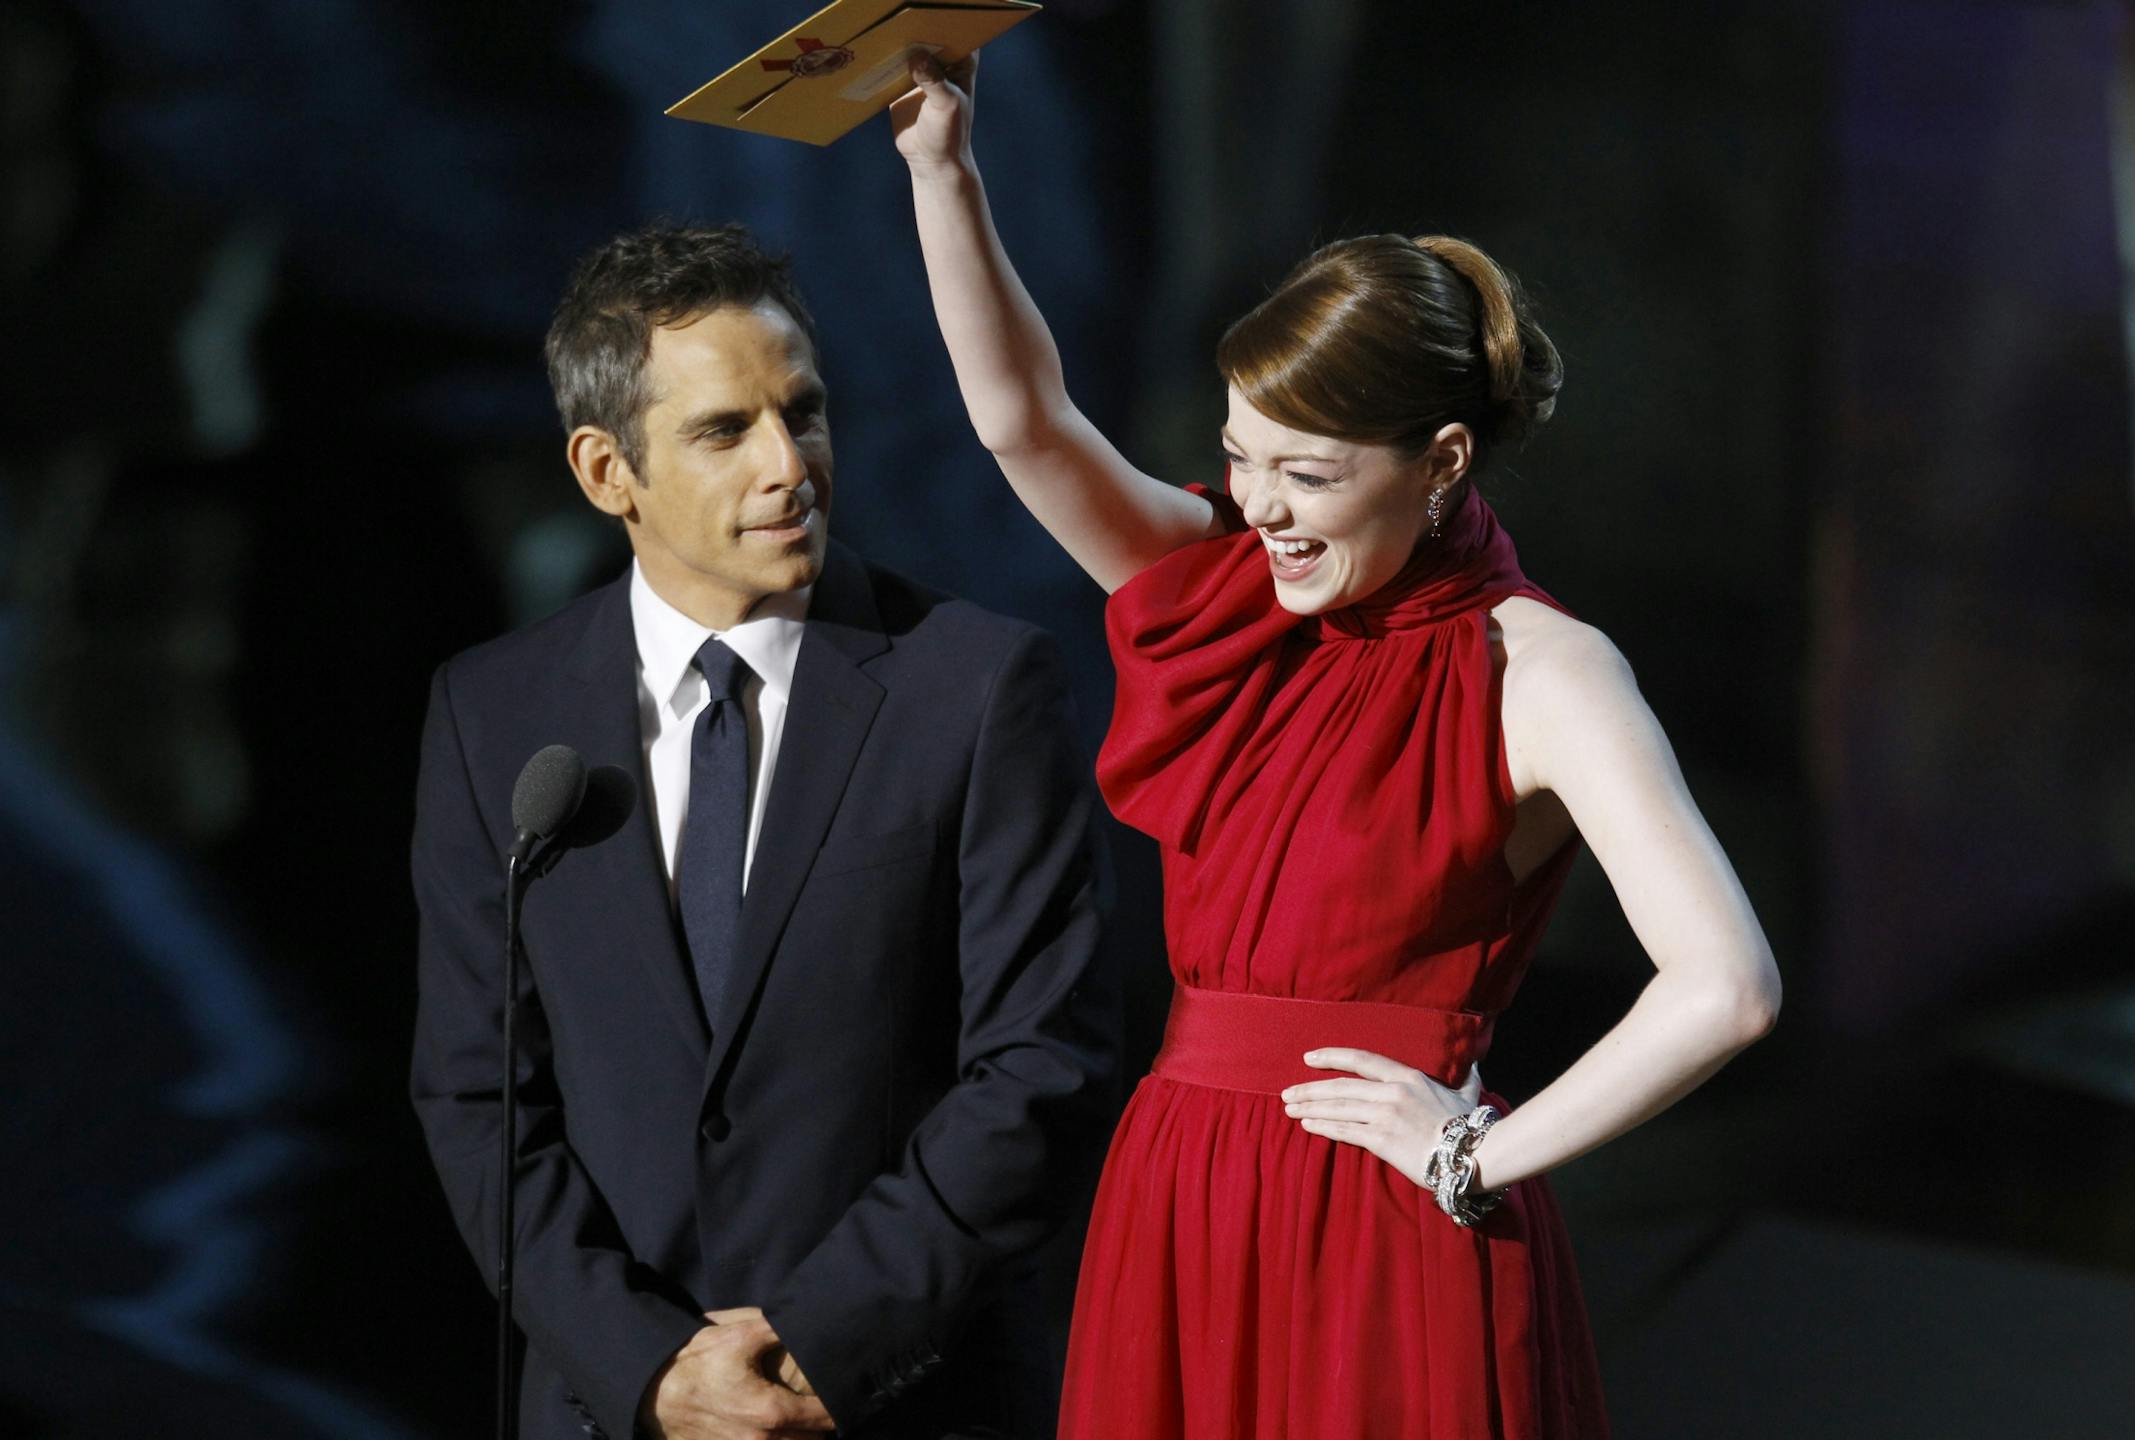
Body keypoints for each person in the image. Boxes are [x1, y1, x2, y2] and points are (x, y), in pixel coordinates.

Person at [891, 55, 1782, 1439]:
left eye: (1307, 475)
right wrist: (942, 169)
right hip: (1182, 1192)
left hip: (1383, 1223)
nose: (1262, 507)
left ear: (1442, 462)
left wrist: (1481, 1151)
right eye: (1244, 457)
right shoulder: (1230, 590)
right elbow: (1024, 425)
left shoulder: (1542, 671)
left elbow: (1727, 988)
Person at [409, 223, 1120, 1440]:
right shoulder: (495, 716)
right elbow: (478, 1094)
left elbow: (1042, 1066)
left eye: (805, 412)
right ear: (606, 471)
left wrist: (821, 1347)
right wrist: (649, 1370)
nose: (790, 466)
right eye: (724, 430)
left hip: (897, 1401)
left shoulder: (976, 686)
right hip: (614, 1411)